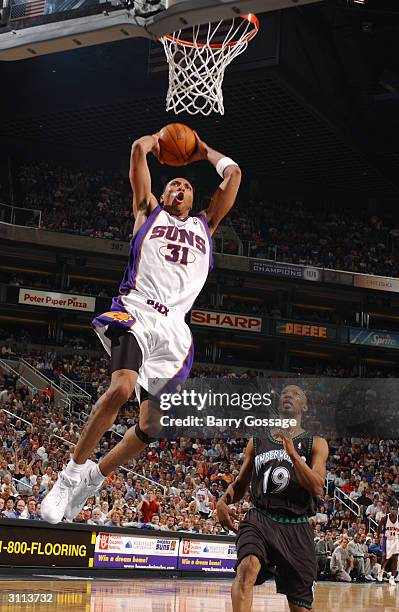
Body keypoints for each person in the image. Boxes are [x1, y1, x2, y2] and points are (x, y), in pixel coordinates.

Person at [41, 129, 241, 524]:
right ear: (162, 195)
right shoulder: (147, 213)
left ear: (195, 199)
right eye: (174, 185)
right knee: (121, 387)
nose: (181, 189)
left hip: (175, 329)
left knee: (152, 425)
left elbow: (233, 176)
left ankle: (94, 479)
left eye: (186, 186)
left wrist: (202, 152)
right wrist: (158, 139)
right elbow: (137, 149)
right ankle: (68, 476)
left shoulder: (206, 225)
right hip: (136, 311)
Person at [217, 385, 329, 612]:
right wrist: (223, 500)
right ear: (278, 405)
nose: (288, 395)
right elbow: (240, 484)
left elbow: (318, 487)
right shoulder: (257, 441)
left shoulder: (315, 443)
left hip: (296, 525)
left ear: (304, 407)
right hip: (261, 518)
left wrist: (293, 454)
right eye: (284, 393)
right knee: (247, 567)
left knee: (300, 607)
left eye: (296, 394)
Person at [376, 504, 399, 585]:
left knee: (395, 558)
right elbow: (379, 527)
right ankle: (381, 570)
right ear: (390, 510)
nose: (394, 511)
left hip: (395, 539)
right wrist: (378, 537)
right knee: (386, 557)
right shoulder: (385, 517)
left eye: (396, 510)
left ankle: (392, 578)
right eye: (393, 509)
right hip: (387, 539)